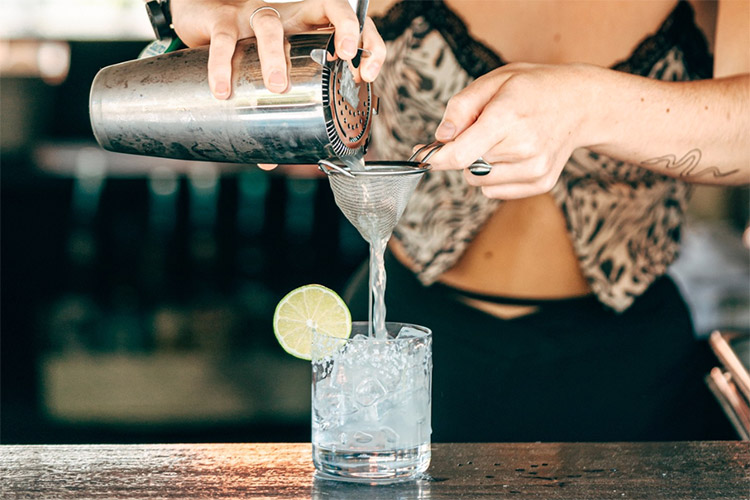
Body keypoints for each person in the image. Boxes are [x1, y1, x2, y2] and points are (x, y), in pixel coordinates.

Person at [170, 0, 750, 441]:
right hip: (402, 348)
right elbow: (228, 33)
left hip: (635, 363)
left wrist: (589, 104)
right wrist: (194, 14)